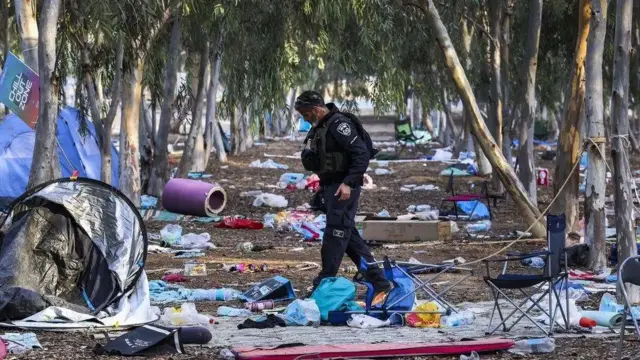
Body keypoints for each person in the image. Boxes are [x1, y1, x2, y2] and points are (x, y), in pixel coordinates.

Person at [294, 90, 392, 295]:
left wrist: (348, 183)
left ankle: (325, 280)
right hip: (331, 186)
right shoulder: (321, 127)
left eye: (306, 113)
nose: (305, 118)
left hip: (344, 188)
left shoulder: (339, 125)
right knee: (348, 236)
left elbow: (361, 154)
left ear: (316, 109)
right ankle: (379, 280)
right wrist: (323, 187)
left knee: (335, 234)